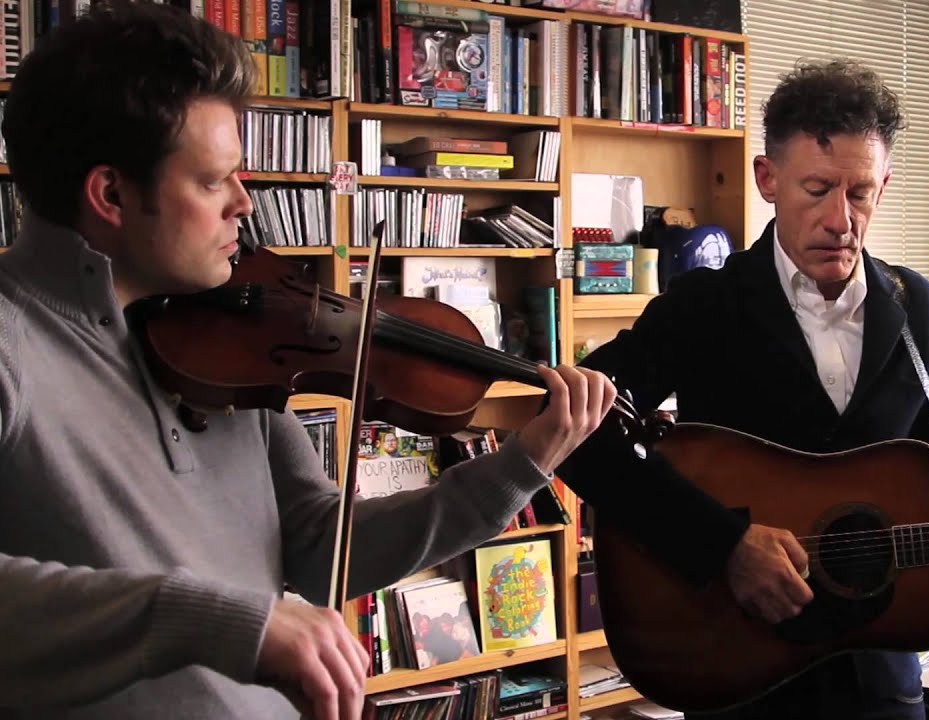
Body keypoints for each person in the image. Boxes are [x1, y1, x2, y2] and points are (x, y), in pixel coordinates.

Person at [0, 3, 616, 719]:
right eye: (212, 181)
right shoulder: (13, 343)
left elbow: (324, 547)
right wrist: (211, 618)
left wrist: (521, 464)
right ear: (110, 194)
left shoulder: (227, 339)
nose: (244, 203)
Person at [558, 59, 929, 719]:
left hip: (880, 671)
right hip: (736, 664)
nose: (839, 219)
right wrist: (722, 543)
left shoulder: (916, 306)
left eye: (859, 192)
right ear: (767, 179)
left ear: (885, 182)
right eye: (817, 188)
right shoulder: (705, 306)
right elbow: (574, 433)